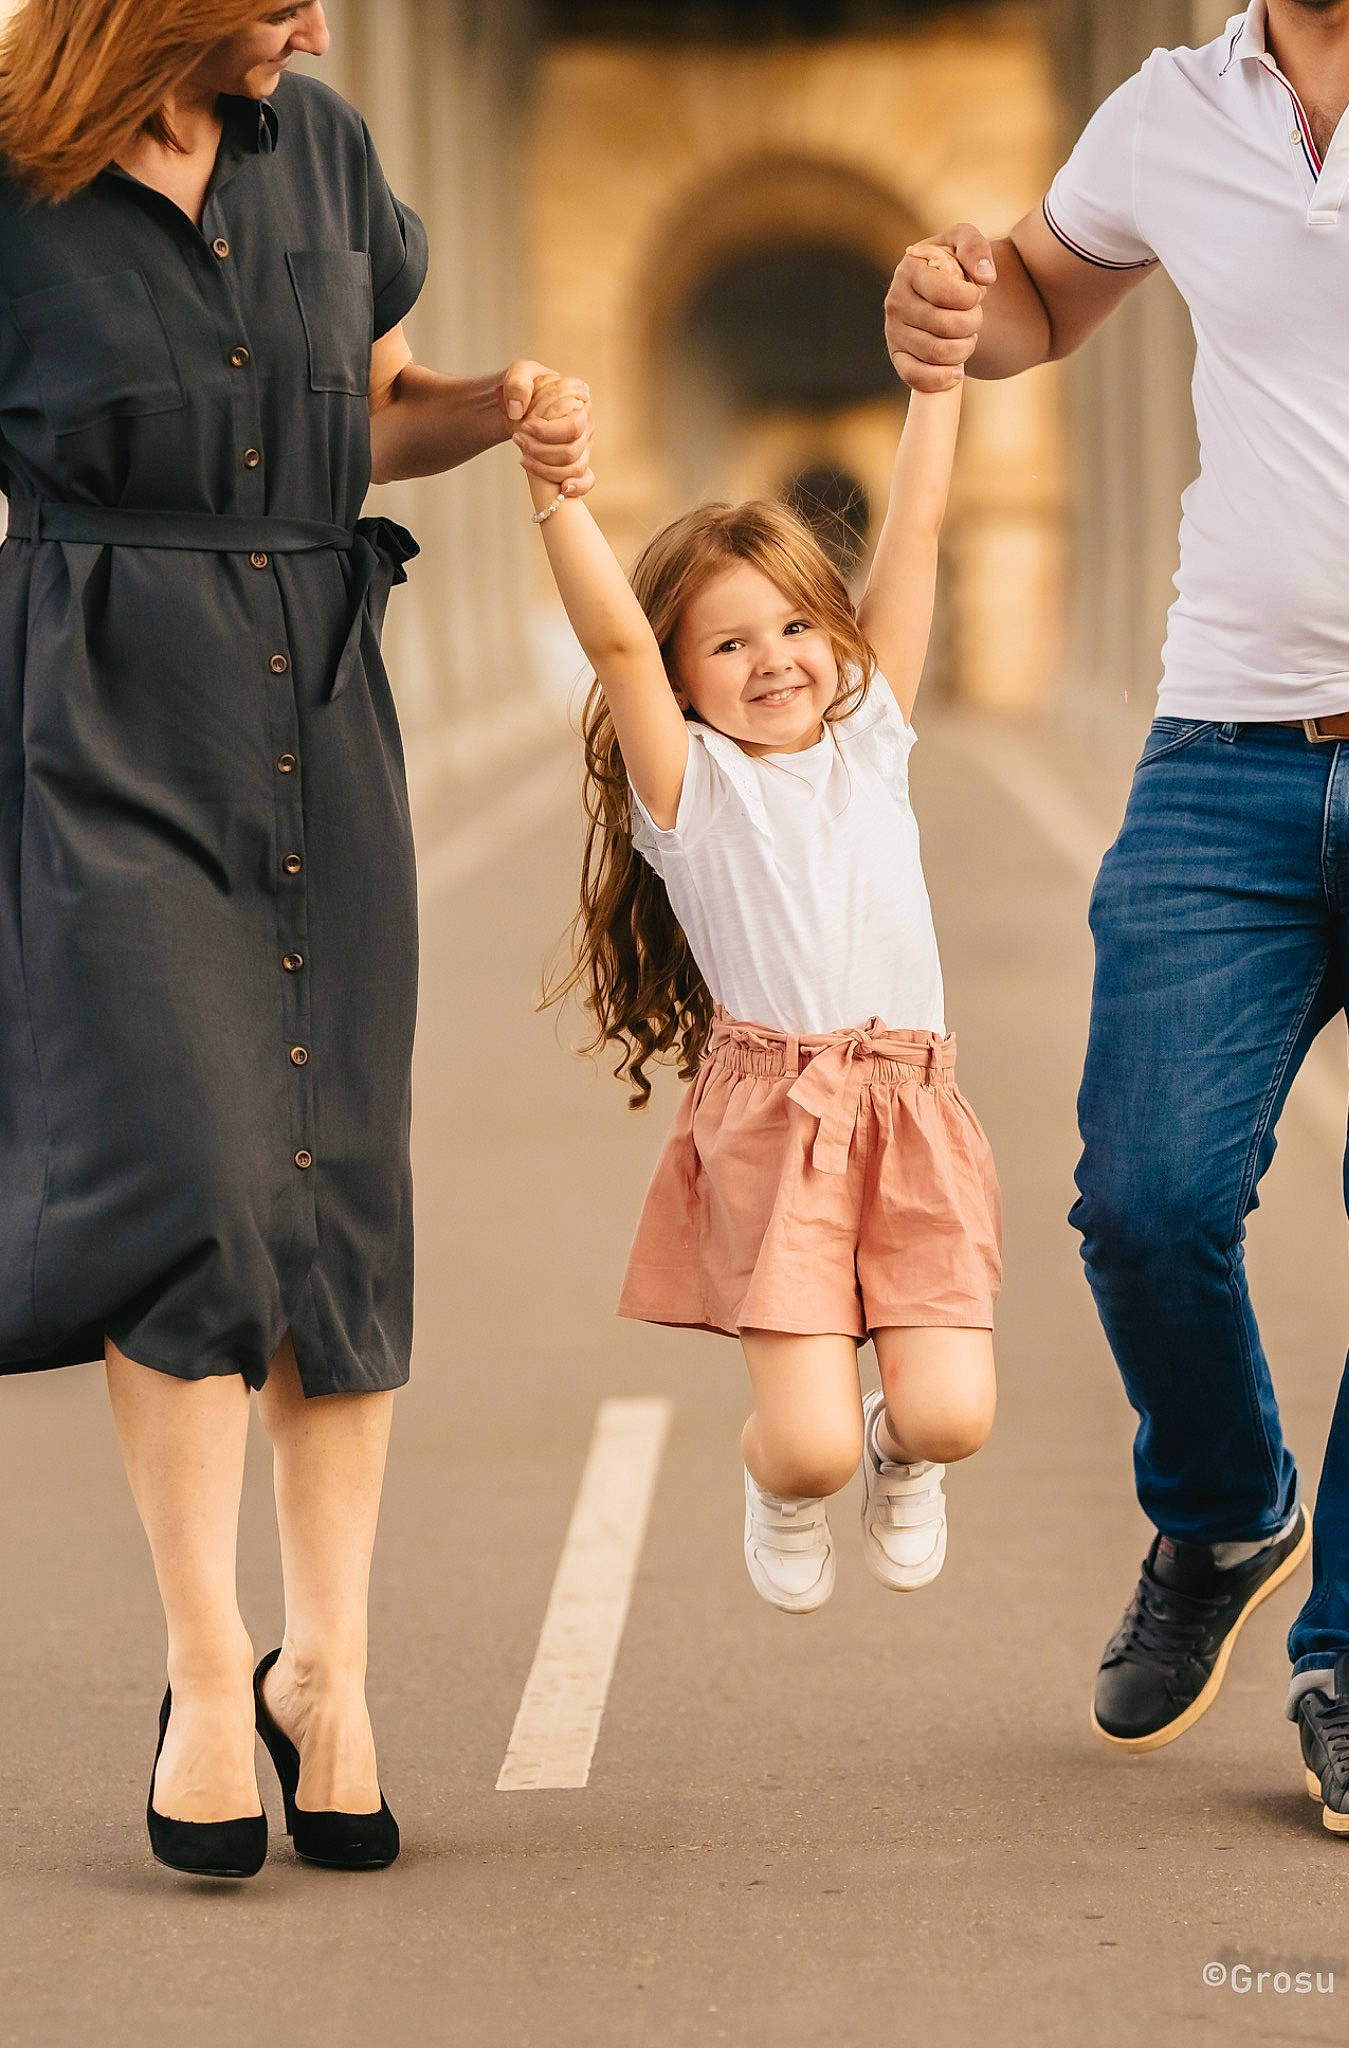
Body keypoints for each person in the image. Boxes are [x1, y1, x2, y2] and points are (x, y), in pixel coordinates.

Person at [0, 0, 591, 1878]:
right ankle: (199, 1669)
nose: (316, 25)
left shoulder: (319, 149)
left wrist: (497, 404)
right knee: (189, 1169)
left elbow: (383, 411)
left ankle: (324, 1670)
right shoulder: (9, 174)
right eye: (274, 2)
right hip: (97, 723)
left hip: (317, 714)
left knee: (332, 1183)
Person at [884, 0, 1349, 1835]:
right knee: (1146, 1193)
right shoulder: (1172, 105)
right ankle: (1219, 1499)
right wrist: (957, 306)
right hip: (1222, 752)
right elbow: (1040, 293)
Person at [522, 308, 1002, 1617]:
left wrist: (938, 386)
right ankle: (784, 1477)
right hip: (774, 1120)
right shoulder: (692, 789)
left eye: (792, 628)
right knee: (806, 1441)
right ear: (683, 678)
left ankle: (898, 1458)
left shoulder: (871, 739)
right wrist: (554, 492)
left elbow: (910, 535)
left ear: (831, 636)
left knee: (949, 1415)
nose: (772, 662)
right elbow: (614, 641)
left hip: (910, 1106)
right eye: (726, 646)